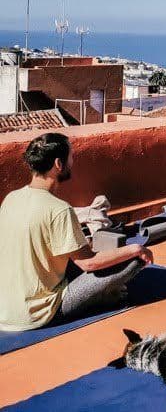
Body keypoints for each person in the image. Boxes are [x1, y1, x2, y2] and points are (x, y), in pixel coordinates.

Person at [0, 133, 154, 332]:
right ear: (58, 164)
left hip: (5, 309)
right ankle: (102, 298)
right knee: (134, 260)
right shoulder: (59, 209)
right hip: (38, 314)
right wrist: (135, 248)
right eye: (71, 156)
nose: (73, 162)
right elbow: (89, 263)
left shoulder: (12, 198)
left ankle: (104, 294)